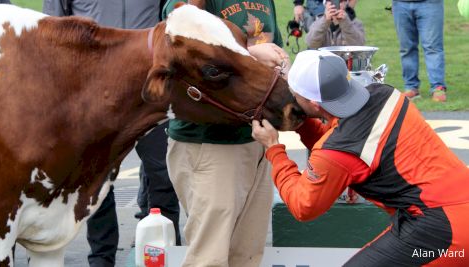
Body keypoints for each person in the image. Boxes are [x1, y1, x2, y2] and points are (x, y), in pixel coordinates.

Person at [251, 50, 469, 266]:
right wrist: (304, 125)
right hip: (449, 210)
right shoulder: (384, 93)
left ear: (315, 104)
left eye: (295, 93)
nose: (293, 97)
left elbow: (303, 206)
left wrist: (274, 149)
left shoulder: (338, 150)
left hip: (445, 230)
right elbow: (346, 149)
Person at [42, 1, 181, 266]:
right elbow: (53, 29)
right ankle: (102, 258)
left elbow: (172, 15)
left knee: (164, 173)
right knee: (98, 180)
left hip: (149, 86)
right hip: (95, 87)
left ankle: (165, 254)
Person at [162, 1, 289, 266]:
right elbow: (178, 39)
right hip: (209, 142)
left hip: (254, 138)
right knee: (210, 258)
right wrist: (252, 53)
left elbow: (271, 42)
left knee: (247, 255)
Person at [392, 0, 447, 102]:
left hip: (431, 4)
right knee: (406, 49)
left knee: (433, 48)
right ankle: (411, 88)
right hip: (400, 4)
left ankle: (438, 87)